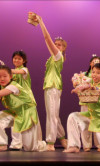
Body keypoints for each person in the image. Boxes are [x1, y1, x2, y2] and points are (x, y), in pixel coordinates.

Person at [34, 13, 67, 151]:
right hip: (50, 86)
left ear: (63, 49)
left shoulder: (58, 56)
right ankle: (63, 139)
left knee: (52, 115)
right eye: (56, 44)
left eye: (59, 45)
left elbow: (47, 38)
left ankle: (50, 142)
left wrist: (41, 22)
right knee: (54, 114)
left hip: (53, 87)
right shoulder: (52, 59)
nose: (56, 46)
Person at [8, 50, 42, 151]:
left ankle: (37, 143)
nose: (16, 60)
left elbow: (19, 71)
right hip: (16, 101)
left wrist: (5, 70)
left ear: (24, 60)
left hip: (27, 101)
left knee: (30, 124)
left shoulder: (24, 70)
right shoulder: (11, 73)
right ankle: (16, 144)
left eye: (19, 58)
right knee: (15, 121)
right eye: (15, 58)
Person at [72, 54, 100, 152]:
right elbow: (75, 80)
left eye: (98, 62)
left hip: (96, 101)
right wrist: (76, 81)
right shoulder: (84, 74)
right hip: (85, 100)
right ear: (90, 63)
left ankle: (99, 144)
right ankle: (86, 145)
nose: (96, 63)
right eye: (94, 61)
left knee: (97, 122)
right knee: (85, 123)